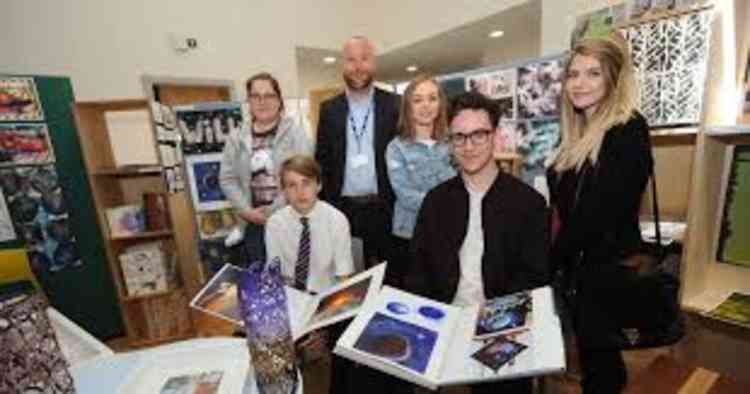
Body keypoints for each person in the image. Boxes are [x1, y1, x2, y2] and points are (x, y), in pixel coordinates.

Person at [407, 91, 550, 394]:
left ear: (495, 137)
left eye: (478, 135)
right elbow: (418, 271)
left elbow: (533, 278)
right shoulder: (436, 201)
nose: (468, 146)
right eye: (459, 137)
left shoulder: (529, 204)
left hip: (504, 326)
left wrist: (490, 327)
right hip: (445, 321)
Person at [546, 35, 654, 394]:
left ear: (613, 78)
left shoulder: (627, 129)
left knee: (603, 368)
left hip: (604, 272)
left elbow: (600, 213)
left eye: (593, 73)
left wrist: (551, 259)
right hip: (579, 272)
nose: (579, 83)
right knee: (595, 362)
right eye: (573, 74)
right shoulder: (575, 133)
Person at [315, 36, 399, 271]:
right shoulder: (329, 110)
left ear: (374, 62)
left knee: (390, 277)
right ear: (343, 64)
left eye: (364, 58)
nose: (358, 67)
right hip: (343, 211)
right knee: (348, 279)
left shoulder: (395, 105)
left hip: (386, 208)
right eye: (351, 60)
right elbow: (321, 163)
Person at [220, 72, 311, 266]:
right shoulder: (236, 137)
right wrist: (246, 211)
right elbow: (227, 178)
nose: (262, 102)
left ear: (279, 100)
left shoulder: (296, 134)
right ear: (249, 102)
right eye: (256, 96)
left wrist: (272, 210)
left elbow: (304, 176)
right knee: (262, 278)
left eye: (269, 95)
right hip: (253, 224)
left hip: (290, 219)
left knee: (294, 276)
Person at [385, 74, 455, 288]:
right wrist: (446, 200)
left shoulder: (454, 143)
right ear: (407, 107)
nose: (426, 105)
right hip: (409, 236)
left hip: (449, 234)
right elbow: (406, 196)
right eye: (417, 100)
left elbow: (464, 188)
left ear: (440, 103)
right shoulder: (396, 148)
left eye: (432, 98)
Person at [265, 155, 354, 294]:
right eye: (292, 185)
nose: (300, 192)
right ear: (284, 191)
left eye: (306, 183)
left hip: (327, 295)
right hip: (289, 295)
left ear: (318, 185)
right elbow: (274, 273)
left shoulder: (336, 220)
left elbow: (344, 275)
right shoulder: (275, 223)